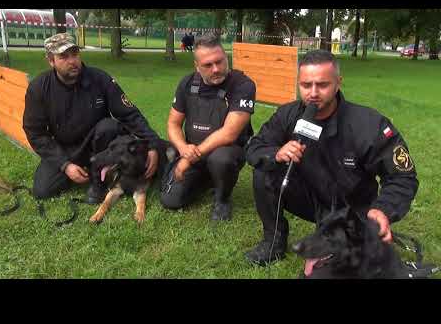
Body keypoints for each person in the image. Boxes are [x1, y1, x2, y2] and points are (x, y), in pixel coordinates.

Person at [244, 49, 419, 266]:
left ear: (338, 83)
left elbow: (403, 177)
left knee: (350, 267)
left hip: (353, 209)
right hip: (310, 198)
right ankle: (273, 242)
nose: (313, 93)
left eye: (322, 85)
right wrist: (276, 154)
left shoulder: (369, 124)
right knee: (264, 171)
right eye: (306, 85)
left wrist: (382, 210)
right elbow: (255, 146)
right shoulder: (287, 115)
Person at [23, 33, 162, 203]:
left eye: (75, 54)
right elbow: (35, 132)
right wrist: (65, 165)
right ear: (51, 61)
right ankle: (80, 168)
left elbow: (130, 114)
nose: (72, 61)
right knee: (42, 191)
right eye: (64, 57)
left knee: (109, 126)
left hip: (99, 145)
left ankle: (99, 184)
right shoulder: (39, 88)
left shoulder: (100, 79)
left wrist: (153, 144)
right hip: (64, 147)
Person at [160, 33, 256, 221]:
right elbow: (173, 123)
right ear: (197, 67)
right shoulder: (187, 84)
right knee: (170, 200)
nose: (216, 69)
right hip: (193, 151)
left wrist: (187, 160)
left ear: (226, 57)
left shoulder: (243, 85)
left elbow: (229, 133)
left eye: (219, 62)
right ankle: (207, 180)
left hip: (225, 151)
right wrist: (183, 149)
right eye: (207, 65)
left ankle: (222, 198)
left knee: (221, 159)